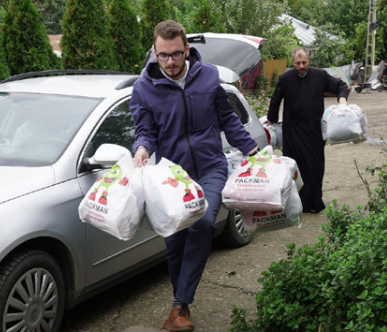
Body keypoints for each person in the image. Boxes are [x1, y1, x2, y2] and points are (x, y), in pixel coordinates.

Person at [129, 20, 258, 332]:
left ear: (186, 49)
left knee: (201, 222)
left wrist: (253, 150)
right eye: (163, 56)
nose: (170, 62)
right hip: (173, 176)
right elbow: (145, 131)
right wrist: (142, 149)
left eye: (176, 54)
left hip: (211, 166)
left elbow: (228, 119)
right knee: (174, 242)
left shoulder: (209, 77)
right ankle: (181, 305)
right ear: (155, 53)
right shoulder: (144, 89)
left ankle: (179, 304)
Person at [266, 47, 349, 214]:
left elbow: (341, 85)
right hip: (293, 131)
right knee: (295, 168)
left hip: (314, 131)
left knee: (315, 167)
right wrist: (272, 119)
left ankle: (314, 202)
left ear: (309, 61)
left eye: (304, 62)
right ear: (293, 63)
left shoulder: (320, 75)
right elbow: (276, 100)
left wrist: (342, 102)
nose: (302, 66)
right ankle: (297, 204)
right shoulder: (285, 78)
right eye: (298, 63)